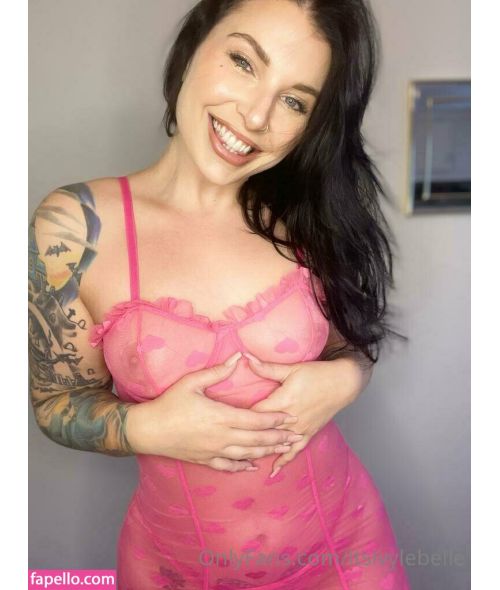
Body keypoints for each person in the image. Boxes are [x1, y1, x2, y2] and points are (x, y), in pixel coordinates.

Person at [28, 0, 411, 588]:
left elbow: (350, 346)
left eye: (295, 101)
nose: (256, 117)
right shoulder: (76, 226)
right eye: (243, 61)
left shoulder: (309, 220)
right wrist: (150, 429)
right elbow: (54, 403)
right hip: (175, 570)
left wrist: (347, 378)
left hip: (346, 552)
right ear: (193, 47)